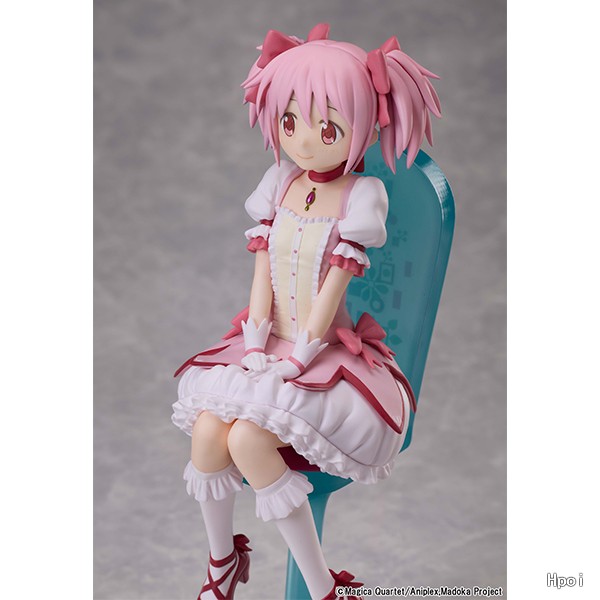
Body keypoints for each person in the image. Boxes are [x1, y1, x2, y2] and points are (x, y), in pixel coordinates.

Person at [172, 23, 441, 600]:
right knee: (207, 431)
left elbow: (332, 291)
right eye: (290, 123)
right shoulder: (279, 184)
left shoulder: (362, 195)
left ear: (361, 127)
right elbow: (262, 274)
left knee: (248, 440)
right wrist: (255, 340)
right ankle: (223, 564)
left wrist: (298, 358)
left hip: (319, 352)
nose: (305, 141)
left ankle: (323, 588)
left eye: (328, 128)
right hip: (267, 342)